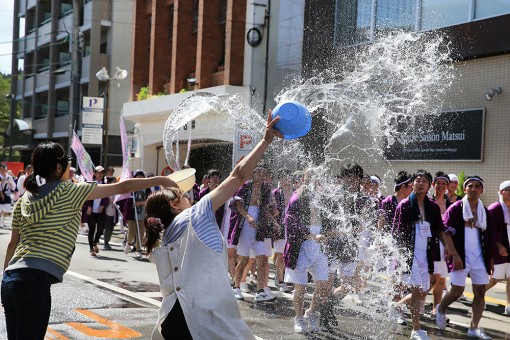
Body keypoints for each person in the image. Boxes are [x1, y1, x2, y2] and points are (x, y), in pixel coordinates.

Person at [1, 141, 176, 340]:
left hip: (10, 280)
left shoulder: (24, 199)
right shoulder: (70, 191)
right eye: (67, 163)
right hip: (34, 282)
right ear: (59, 168)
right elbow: (122, 186)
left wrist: (3, 283)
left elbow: (12, 245)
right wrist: (161, 180)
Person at [143, 111, 282, 339]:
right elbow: (238, 176)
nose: (189, 196)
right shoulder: (195, 215)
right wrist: (265, 140)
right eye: (183, 194)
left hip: (174, 321)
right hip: (198, 324)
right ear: (175, 205)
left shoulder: (166, 233)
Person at [392, 170, 460, 340]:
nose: (421, 183)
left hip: (428, 253)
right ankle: (416, 329)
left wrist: (451, 250)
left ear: (429, 185)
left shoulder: (433, 207)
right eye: (417, 180)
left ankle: (396, 307)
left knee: (426, 286)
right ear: (412, 184)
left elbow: (439, 229)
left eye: (424, 181)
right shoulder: (405, 205)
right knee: (416, 289)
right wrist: (400, 258)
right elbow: (397, 233)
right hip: (411, 253)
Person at [436, 176, 492, 340]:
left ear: (482, 190)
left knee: (480, 292)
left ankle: (474, 328)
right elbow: (446, 233)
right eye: (470, 186)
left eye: (477, 186)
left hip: (480, 258)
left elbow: (489, 236)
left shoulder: (485, 211)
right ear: (464, 189)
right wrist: (454, 255)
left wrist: (492, 259)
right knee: (457, 291)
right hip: (460, 256)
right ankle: (441, 309)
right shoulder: (455, 208)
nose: (473, 189)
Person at [284, 168, 330, 333]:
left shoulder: (323, 197)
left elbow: (330, 219)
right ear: (304, 179)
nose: (314, 180)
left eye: (317, 177)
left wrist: (330, 233)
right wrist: (312, 236)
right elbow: (291, 223)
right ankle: (298, 317)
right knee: (301, 287)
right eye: (310, 177)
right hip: (301, 246)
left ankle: (310, 311)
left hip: (318, 246)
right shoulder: (297, 197)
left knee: (323, 283)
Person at [229, 164, 275, 302]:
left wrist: (275, 222)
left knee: (262, 259)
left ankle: (260, 290)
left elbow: (266, 209)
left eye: (263, 173)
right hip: (245, 226)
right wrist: (248, 216)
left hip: (259, 228)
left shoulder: (266, 189)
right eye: (258, 172)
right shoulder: (246, 186)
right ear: (254, 173)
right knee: (243, 259)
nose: (261, 175)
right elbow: (237, 204)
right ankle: (236, 287)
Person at [486, 180, 510, 315]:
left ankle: (509, 305)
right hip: (498, 250)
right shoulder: (495, 208)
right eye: (508, 190)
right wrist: (499, 245)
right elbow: (490, 230)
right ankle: (479, 294)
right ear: (501, 192)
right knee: (495, 278)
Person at [271, 168, 293, 293]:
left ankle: (286, 277)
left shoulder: (296, 192)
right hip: (279, 226)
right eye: (282, 178)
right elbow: (269, 210)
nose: (285, 180)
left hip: (292, 227)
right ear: (279, 179)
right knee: (280, 254)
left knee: (290, 253)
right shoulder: (275, 193)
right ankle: (280, 280)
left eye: (287, 177)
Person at [121, 169, 152, 259]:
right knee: (132, 230)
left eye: (141, 177)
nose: (139, 179)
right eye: (137, 177)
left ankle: (138, 249)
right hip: (131, 212)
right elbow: (124, 195)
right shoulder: (131, 186)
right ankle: (128, 243)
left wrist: (141, 203)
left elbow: (150, 198)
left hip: (142, 212)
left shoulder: (147, 187)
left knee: (140, 232)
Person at [85, 166, 108, 257]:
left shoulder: (105, 184)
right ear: (95, 173)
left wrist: (103, 205)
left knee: (101, 229)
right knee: (91, 230)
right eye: (99, 173)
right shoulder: (90, 183)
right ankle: (91, 249)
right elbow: (86, 195)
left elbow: (106, 195)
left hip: (100, 211)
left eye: (102, 173)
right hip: (92, 211)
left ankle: (95, 242)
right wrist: (89, 206)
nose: (101, 174)